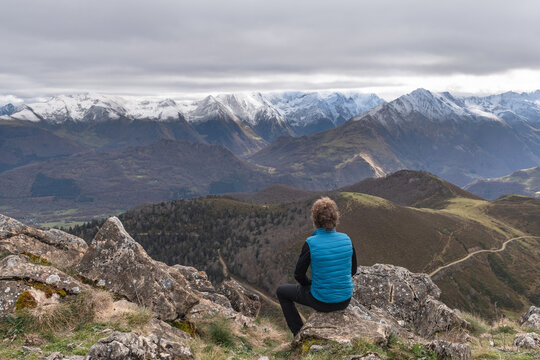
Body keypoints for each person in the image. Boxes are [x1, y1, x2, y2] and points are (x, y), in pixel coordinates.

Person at [276, 196, 357, 336]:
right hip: (345, 300)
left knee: (282, 292)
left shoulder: (311, 243)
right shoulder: (347, 239)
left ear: (315, 220)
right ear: (335, 218)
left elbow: (298, 275)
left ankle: (298, 333)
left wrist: (310, 284)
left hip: (322, 301)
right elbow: (353, 270)